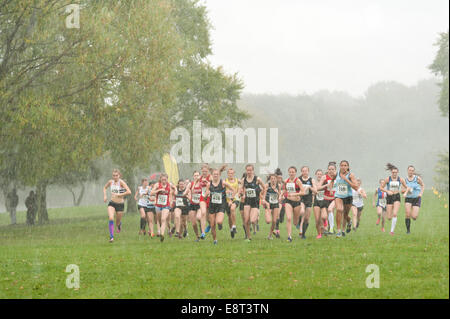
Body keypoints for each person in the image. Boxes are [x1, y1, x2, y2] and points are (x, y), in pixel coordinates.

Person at [205, 169, 233, 244]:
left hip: (221, 205)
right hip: (212, 205)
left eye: (217, 174)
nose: (215, 175)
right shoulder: (208, 184)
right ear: (212, 175)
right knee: (212, 224)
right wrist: (206, 195)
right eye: (214, 174)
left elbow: (232, 189)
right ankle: (215, 240)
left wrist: (230, 199)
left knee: (219, 221)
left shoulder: (223, 182)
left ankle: (220, 224)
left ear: (219, 175)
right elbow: (205, 196)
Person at [103, 169, 132, 243]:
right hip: (112, 203)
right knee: (111, 218)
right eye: (113, 175)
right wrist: (105, 196)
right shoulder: (110, 182)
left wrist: (120, 195)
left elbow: (129, 191)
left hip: (120, 204)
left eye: (116, 175)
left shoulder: (121, 182)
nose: (115, 177)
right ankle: (111, 237)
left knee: (117, 222)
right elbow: (104, 188)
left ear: (119, 176)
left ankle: (119, 225)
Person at [332, 160, 359, 238]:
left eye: (345, 165)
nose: (343, 167)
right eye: (342, 165)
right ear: (339, 166)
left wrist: (346, 179)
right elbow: (332, 179)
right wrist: (331, 186)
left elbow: (356, 187)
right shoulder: (336, 173)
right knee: (339, 210)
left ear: (348, 167)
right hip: (338, 196)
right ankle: (339, 231)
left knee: (345, 214)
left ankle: (349, 221)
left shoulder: (351, 175)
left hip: (348, 197)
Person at [240, 164, 266, 242]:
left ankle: (257, 214)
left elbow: (264, 187)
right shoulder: (243, 180)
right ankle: (249, 237)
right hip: (247, 202)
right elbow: (241, 189)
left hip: (255, 202)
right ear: (246, 170)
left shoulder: (257, 179)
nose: (249, 172)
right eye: (247, 170)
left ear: (253, 170)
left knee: (252, 220)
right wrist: (242, 194)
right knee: (246, 220)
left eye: (250, 170)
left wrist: (263, 197)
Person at [381, 163, 408, 235]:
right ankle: (389, 211)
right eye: (393, 172)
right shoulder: (387, 179)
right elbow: (381, 188)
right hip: (389, 197)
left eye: (395, 172)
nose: (394, 174)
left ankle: (392, 231)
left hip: (396, 196)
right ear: (391, 172)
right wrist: (387, 191)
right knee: (389, 217)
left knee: (395, 214)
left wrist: (404, 192)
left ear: (397, 172)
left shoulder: (400, 179)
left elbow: (406, 187)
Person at [283, 166, 306, 242]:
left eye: (293, 172)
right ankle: (289, 236)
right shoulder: (286, 181)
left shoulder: (298, 181)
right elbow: (284, 190)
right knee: (288, 218)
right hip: (288, 201)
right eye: (290, 172)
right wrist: (281, 196)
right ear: (288, 172)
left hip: (297, 203)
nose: (291, 173)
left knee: (295, 222)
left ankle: (298, 223)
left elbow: (303, 192)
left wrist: (294, 194)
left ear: (295, 173)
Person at [150, 173, 174, 242]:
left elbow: (174, 191)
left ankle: (162, 235)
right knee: (160, 221)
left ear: (167, 179)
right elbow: (151, 193)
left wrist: (171, 201)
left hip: (166, 205)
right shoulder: (157, 185)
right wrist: (158, 190)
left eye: (165, 179)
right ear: (160, 179)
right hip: (158, 206)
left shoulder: (169, 185)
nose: (164, 181)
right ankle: (163, 230)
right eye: (162, 179)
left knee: (163, 219)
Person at [403, 165, 425, 234]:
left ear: (414, 172)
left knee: (414, 217)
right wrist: (407, 191)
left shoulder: (417, 178)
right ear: (407, 171)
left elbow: (423, 185)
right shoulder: (405, 180)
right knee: (407, 214)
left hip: (416, 198)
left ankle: (413, 212)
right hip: (408, 199)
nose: (411, 172)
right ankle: (408, 231)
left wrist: (421, 193)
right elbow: (402, 190)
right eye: (410, 170)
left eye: (412, 170)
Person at [298, 166, 316, 239]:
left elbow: (316, 191)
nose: (304, 172)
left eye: (306, 171)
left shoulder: (311, 180)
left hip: (309, 200)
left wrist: (310, 187)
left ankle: (303, 234)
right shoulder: (298, 180)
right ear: (301, 172)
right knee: (302, 212)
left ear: (308, 171)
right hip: (301, 198)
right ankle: (299, 222)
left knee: (307, 219)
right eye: (303, 171)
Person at [262, 174, 281, 239]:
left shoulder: (278, 186)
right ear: (270, 179)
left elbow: (279, 197)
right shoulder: (267, 185)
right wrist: (264, 200)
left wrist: (278, 193)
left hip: (275, 204)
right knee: (268, 221)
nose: (273, 180)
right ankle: (267, 214)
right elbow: (263, 194)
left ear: (276, 179)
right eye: (272, 179)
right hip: (268, 204)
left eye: (274, 179)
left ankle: (269, 235)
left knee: (274, 221)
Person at [313, 169, 328, 238]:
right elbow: (315, 190)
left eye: (320, 174)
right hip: (316, 202)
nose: (319, 175)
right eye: (318, 174)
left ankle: (325, 223)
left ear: (322, 176)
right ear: (316, 175)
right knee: (317, 220)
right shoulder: (314, 182)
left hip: (324, 201)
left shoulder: (325, 182)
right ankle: (319, 234)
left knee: (324, 217)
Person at [187, 171, 202, 242]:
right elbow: (189, 191)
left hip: (200, 204)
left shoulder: (202, 184)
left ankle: (202, 227)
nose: (196, 177)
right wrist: (189, 196)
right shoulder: (191, 184)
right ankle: (197, 236)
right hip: (192, 204)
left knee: (199, 218)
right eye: (195, 176)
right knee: (193, 223)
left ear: (200, 176)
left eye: (197, 175)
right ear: (193, 177)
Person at [224, 167, 239, 238]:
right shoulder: (225, 181)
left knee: (232, 208)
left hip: (235, 199)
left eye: (232, 173)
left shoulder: (237, 180)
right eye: (229, 173)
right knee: (229, 216)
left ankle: (234, 226)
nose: (231, 174)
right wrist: (226, 191)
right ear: (227, 174)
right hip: (227, 200)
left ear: (234, 174)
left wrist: (241, 191)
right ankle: (231, 230)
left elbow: (243, 185)